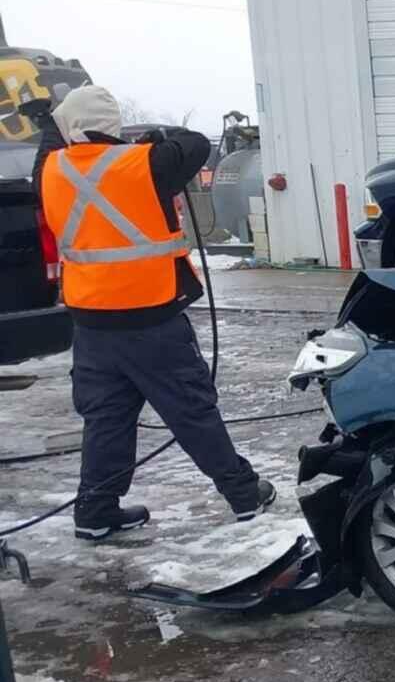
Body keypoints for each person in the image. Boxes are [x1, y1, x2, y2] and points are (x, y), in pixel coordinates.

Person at [35, 85, 274, 541]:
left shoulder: (50, 170)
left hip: (90, 323)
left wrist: (51, 121)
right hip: (150, 319)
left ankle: (96, 511)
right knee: (191, 410)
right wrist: (154, 136)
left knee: (106, 418)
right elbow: (196, 144)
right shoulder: (144, 164)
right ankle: (244, 495)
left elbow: (53, 143)